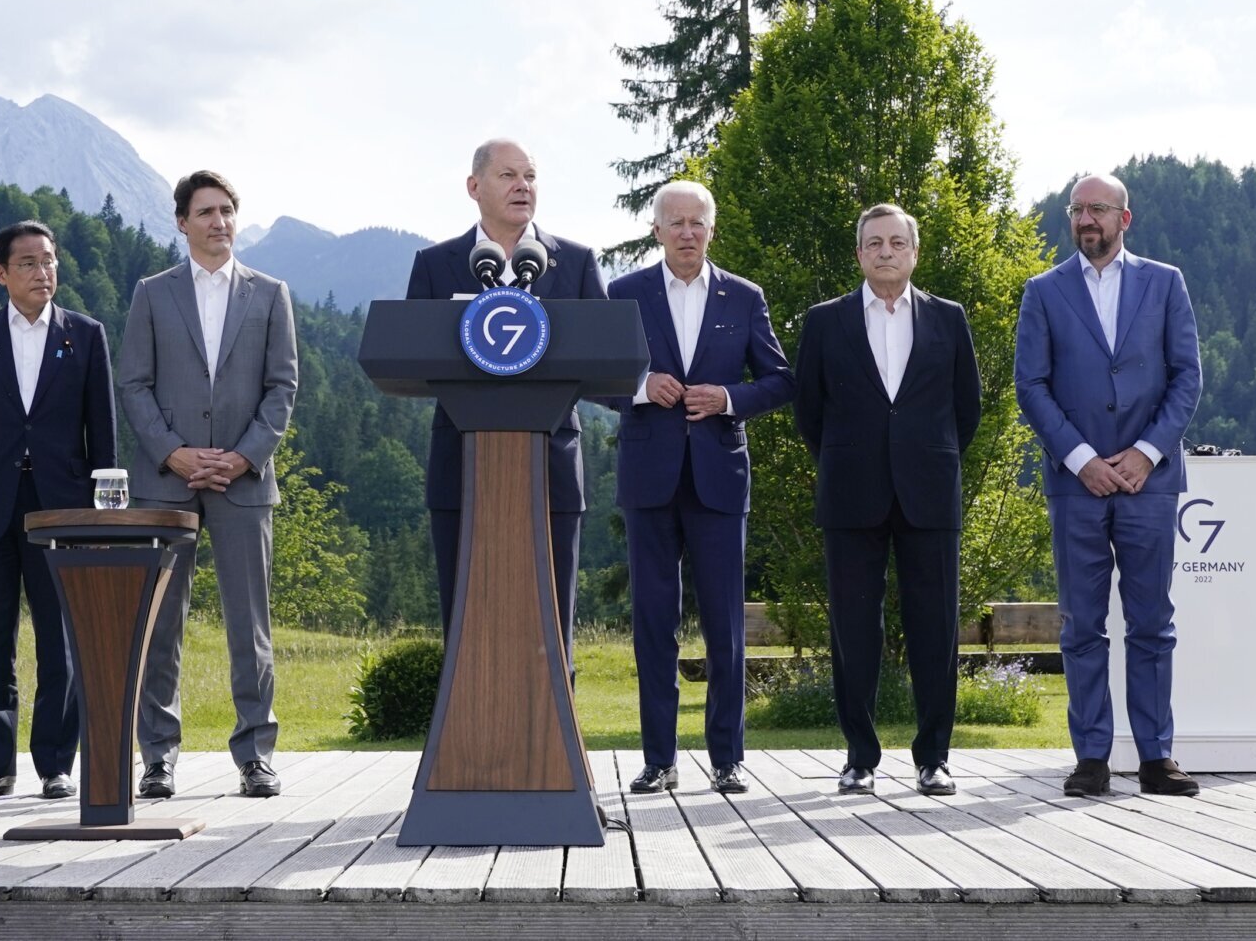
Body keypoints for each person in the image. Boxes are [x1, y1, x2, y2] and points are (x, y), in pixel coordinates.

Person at [1016, 173, 1203, 798]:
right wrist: (1081, 460)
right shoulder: (1044, 291)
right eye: (1077, 209)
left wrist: (1147, 455)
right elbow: (1031, 386)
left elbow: (1187, 378)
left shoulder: (1166, 282)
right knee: (1081, 626)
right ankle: (1091, 757)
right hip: (1078, 486)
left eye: (1097, 208)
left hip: (1150, 482)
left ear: (1125, 218)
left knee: (1152, 623)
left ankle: (1156, 757)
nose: (1085, 218)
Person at [607, 180, 794, 796]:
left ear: (712, 229)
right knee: (653, 624)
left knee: (725, 627)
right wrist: (641, 387)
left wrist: (728, 398)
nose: (687, 232)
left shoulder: (745, 296)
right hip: (649, 480)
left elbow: (780, 380)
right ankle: (658, 761)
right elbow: (595, 378)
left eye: (697, 222)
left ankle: (728, 760)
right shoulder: (624, 294)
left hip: (719, 479)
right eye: (676, 222)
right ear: (656, 230)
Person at [793, 204, 982, 798]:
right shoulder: (824, 322)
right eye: (874, 243)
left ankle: (934, 759)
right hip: (851, 492)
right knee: (854, 631)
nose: (885, 252)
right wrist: (851, 457)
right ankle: (860, 757)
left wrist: (925, 455)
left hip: (930, 491)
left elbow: (967, 408)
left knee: (937, 628)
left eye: (897, 243)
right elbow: (809, 411)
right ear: (859, 254)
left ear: (914, 253)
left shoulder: (949, 318)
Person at [124, 171, 299, 800]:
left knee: (250, 626)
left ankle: (256, 755)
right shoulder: (152, 293)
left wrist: (243, 457)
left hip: (243, 483)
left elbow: (282, 387)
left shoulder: (270, 294)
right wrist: (172, 453)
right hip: (165, 484)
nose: (219, 221)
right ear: (181, 222)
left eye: (227, 210)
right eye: (205, 212)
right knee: (158, 626)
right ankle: (158, 758)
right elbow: (133, 384)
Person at [405, 137, 606, 665]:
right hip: (462, 464)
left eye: (531, 176)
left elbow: (608, 362)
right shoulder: (436, 264)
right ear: (474, 187)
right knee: (466, 620)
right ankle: (465, 718)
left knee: (551, 621)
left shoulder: (576, 263)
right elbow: (409, 355)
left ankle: (555, 718)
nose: (523, 186)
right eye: (508, 176)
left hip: (551, 466)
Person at [0, 220, 117, 801]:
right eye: (28, 263)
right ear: (1, 273)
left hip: (62, 508)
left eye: (49, 261)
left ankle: (55, 765)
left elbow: (103, 432)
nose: (43, 272)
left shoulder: (85, 335)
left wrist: (101, 514)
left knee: (59, 639)